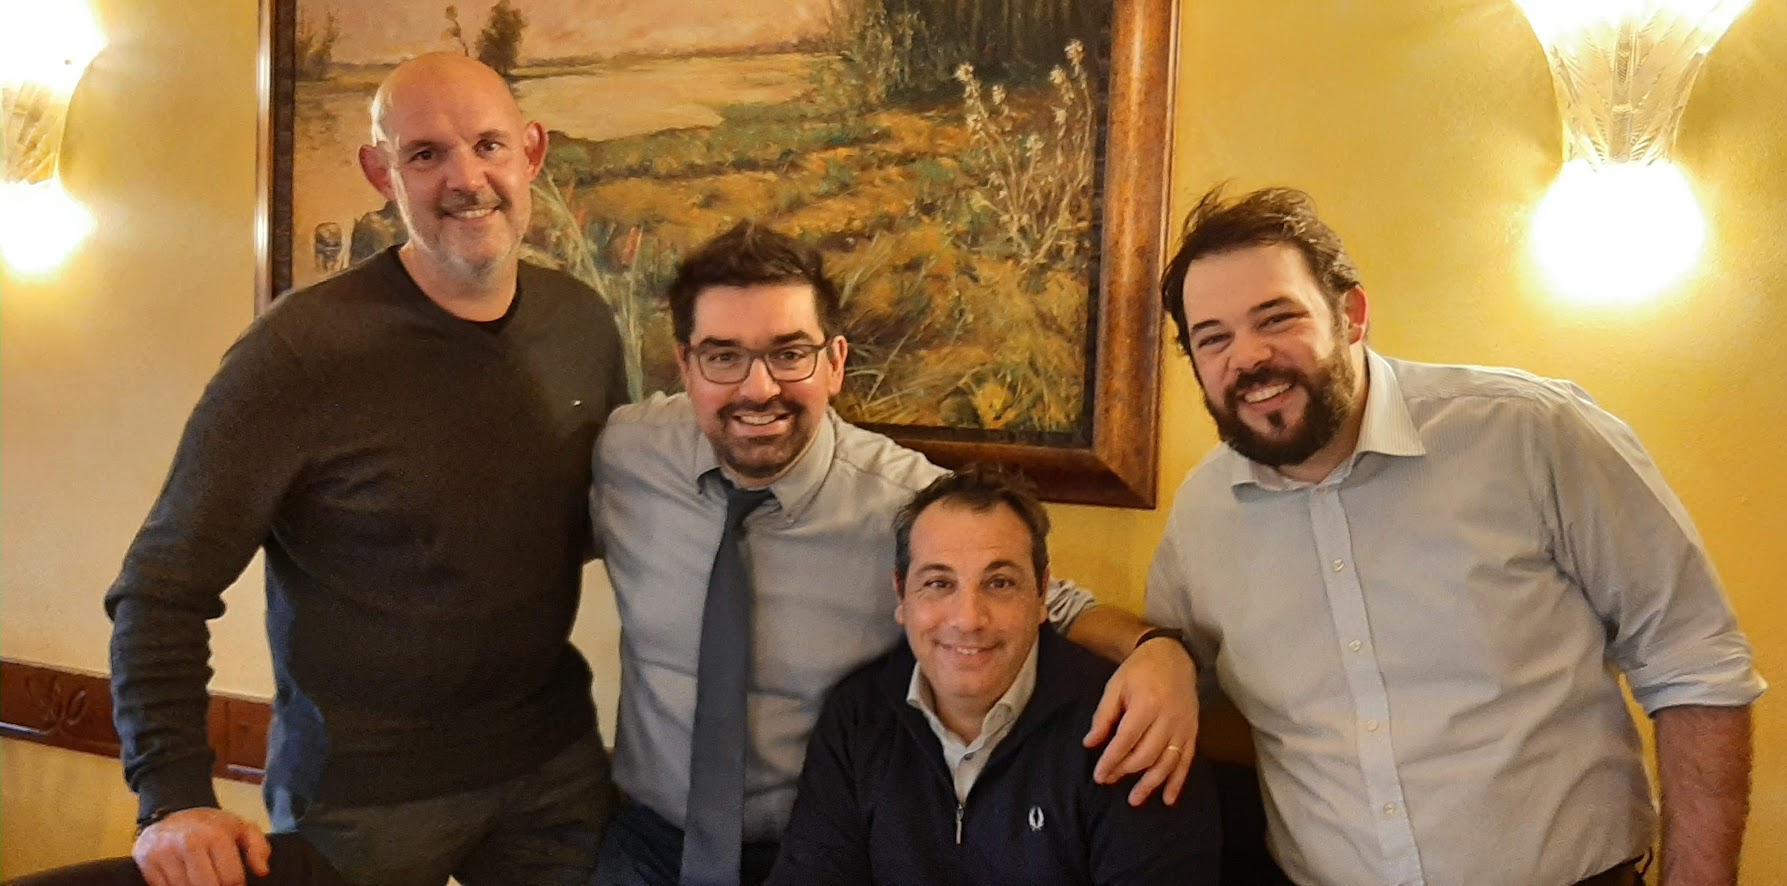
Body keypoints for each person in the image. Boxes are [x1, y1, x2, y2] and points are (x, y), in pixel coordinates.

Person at [105, 53, 628, 886]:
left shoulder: (583, 324)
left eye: (489, 145)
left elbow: (589, 521)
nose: (467, 179)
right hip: (360, 803)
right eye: (425, 154)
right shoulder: (297, 352)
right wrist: (171, 797)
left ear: (531, 152)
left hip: (553, 775)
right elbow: (160, 587)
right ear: (381, 174)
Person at [1144, 187, 1766, 886]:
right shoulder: (1202, 515)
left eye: (1277, 318)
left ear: (1352, 315)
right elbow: (1173, 673)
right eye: (1213, 338)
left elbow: (1697, 664)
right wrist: (1152, 649)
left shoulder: (1531, 432)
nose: (1248, 357)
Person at [590, 222, 1201, 886]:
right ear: (685, 365)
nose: (758, 388)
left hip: (824, 847)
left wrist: (1158, 653)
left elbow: (1040, 604)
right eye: (723, 356)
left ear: (835, 362)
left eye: (790, 353)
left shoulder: (910, 507)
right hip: (646, 844)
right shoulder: (626, 455)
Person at [766, 465, 1221, 885]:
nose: (968, 619)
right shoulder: (858, 717)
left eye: (999, 583)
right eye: (939, 583)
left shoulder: (1129, 725)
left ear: (1042, 593)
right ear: (902, 596)